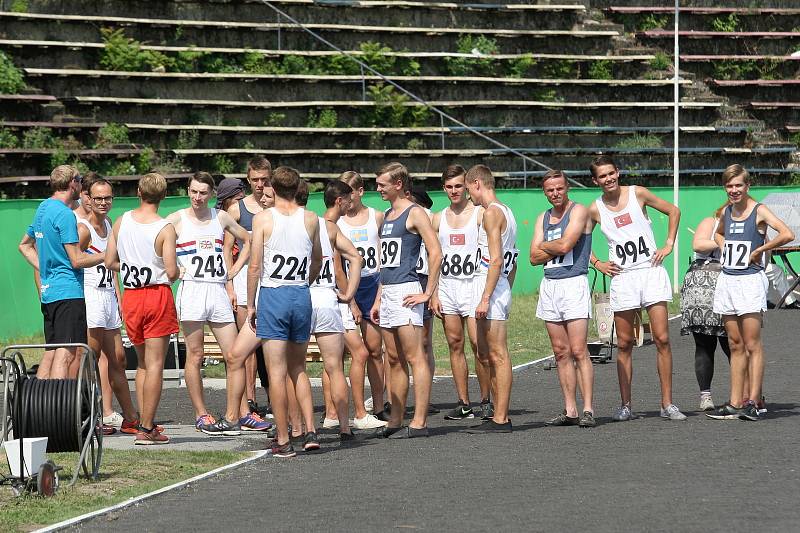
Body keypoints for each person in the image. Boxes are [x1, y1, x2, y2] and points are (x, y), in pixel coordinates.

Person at [167, 172, 269, 435]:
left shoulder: (220, 217)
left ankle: (240, 413)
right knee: (196, 355)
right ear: (188, 191)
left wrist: (233, 270)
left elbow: (248, 240)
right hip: (192, 291)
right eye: (193, 192)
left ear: (211, 194)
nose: (197, 198)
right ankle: (201, 414)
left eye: (203, 193)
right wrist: (172, 266)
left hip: (217, 292)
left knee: (235, 354)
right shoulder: (177, 219)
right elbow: (154, 242)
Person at [588, 156, 687, 421]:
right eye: (602, 176)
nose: (608, 179)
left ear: (618, 173)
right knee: (624, 343)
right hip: (624, 278)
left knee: (662, 339)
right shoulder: (595, 209)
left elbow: (673, 211)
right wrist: (598, 263)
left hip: (650, 271)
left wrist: (668, 244)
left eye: (611, 173)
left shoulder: (638, 194)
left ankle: (667, 404)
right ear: (595, 180)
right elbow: (580, 241)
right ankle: (626, 405)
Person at [708, 164, 794, 421]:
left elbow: (787, 234)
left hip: (749, 282)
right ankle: (736, 401)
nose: (734, 190)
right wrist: (726, 247)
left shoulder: (759, 211)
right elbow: (719, 235)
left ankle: (753, 402)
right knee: (734, 343)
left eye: (738, 185)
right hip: (728, 280)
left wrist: (759, 251)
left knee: (752, 343)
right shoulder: (726, 211)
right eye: (729, 186)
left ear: (747, 186)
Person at [248, 167, 322, 458]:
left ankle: (283, 437)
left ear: (273, 188)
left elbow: (255, 266)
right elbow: (317, 259)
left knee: (277, 372)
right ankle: (310, 429)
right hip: (300, 293)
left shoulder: (263, 218)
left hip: (274, 294)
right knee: (298, 368)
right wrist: (306, 282)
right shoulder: (311, 218)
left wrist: (251, 304)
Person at [105, 172, 180, 444]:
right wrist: (174, 271)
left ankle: (144, 421)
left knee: (143, 364)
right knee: (156, 364)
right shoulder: (165, 227)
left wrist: (132, 267)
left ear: (139, 191)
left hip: (132, 296)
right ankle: (146, 428)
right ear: (163, 196)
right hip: (156, 294)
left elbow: (110, 260)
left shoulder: (122, 221)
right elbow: (170, 271)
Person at [371, 162, 442, 439]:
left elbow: (436, 253)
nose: (378, 188)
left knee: (415, 357)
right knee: (393, 359)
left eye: (382, 184)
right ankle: (395, 420)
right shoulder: (387, 215)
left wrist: (428, 292)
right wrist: (378, 298)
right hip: (388, 291)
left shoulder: (416, 213)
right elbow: (384, 263)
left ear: (398, 184)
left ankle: (420, 421)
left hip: (407, 290)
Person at [18, 165, 103, 379]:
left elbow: (24, 246)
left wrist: (45, 268)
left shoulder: (43, 208)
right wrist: (107, 255)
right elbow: (77, 260)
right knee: (66, 354)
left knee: (52, 352)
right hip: (68, 293)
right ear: (72, 183)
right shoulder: (65, 214)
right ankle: (57, 411)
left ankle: (40, 409)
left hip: (50, 293)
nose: (82, 183)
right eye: (80, 179)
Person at [296, 180, 363, 443]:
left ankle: (303, 428)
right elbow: (356, 258)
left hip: (300, 295)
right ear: (339, 200)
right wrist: (349, 295)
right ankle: (345, 427)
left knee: (296, 368)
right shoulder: (330, 228)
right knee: (335, 367)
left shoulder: (297, 224)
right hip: (326, 297)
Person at [530, 170, 595, 428]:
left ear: (567, 187)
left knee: (579, 350)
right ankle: (570, 410)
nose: (555, 194)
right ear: (545, 192)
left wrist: (544, 244)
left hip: (573, 283)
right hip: (550, 285)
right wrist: (550, 246)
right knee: (560, 352)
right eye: (550, 190)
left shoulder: (578, 211)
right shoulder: (542, 217)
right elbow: (532, 258)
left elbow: (566, 246)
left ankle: (588, 408)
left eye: (559, 188)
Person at [76, 177, 141, 434]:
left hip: (108, 297)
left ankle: (130, 417)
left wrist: (119, 296)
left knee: (119, 359)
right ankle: (92, 415)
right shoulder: (83, 229)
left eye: (108, 198)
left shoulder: (109, 224)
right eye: (98, 198)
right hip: (90, 296)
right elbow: (74, 260)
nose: (103, 203)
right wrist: (105, 255)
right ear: (89, 199)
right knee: (89, 360)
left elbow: (112, 270)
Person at [430, 166, 492, 420]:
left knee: (479, 345)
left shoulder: (480, 213)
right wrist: (432, 292)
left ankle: (486, 399)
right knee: (455, 344)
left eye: (458, 186)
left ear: (466, 186)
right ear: (443, 188)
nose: (454, 191)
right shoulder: (437, 217)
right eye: (449, 187)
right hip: (447, 286)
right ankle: (463, 402)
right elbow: (431, 256)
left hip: (473, 285)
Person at [463, 165, 518, 433]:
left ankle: (501, 417)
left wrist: (486, 297)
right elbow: (512, 261)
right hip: (496, 287)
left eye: (467, 188)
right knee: (488, 353)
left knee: (497, 354)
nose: (468, 195)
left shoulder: (492, 213)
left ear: (476, 184)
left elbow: (497, 260)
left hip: (491, 288)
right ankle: (498, 413)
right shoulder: (506, 211)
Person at [337, 171, 388, 426]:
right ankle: (336, 413)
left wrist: (379, 292)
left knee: (375, 350)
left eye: (350, 190)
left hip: (371, 282)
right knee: (345, 354)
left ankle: (379, 405)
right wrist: (351, 300)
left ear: (359, 191)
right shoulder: (338, 222)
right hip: (348, 286)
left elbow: (383, 254)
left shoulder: (377, 217)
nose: (346, 196)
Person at [224, 159, 274, 416]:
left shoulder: (277, 204)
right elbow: (227, 249)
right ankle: (250, 400)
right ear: (248, 179)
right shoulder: (237, 210)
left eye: (264, 179)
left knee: (272, 344)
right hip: (245, 282)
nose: (259, 184)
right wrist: (230, 285)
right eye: (255, 180)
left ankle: (274, 397)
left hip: (274, 280)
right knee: (249, 343)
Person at [680, 207, 731, 412]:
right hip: (703, 287)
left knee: (733, 344)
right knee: (704, 345)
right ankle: (705, 395)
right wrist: (723, 241)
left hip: (732, 284)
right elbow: (698, 244)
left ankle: (743, 394)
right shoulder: (711, 222)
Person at [407, 185, 439, 414]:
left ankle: (423, 397)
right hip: (405, 278)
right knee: (409, 345)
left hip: (423, 277)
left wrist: (431, 290)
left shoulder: (425, 217)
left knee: (423, 342)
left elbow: (435, 252)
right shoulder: (395, 215)